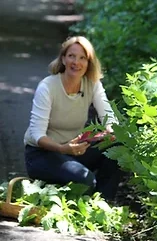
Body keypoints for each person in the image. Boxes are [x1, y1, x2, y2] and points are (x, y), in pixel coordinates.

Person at [24, 36, 122, 200]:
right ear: (63, 58)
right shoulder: (47, 87)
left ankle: (104, 205)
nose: (76, 62)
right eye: (71, 56)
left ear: (89, 63)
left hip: (74, 151)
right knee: (85, 180)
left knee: (117, 147)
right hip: (42, 155)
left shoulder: (93, 84)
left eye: (82, 58)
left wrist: (111, 130)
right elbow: (36, 134)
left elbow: (108, 116)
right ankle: (80, 196)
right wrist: (63, 149)